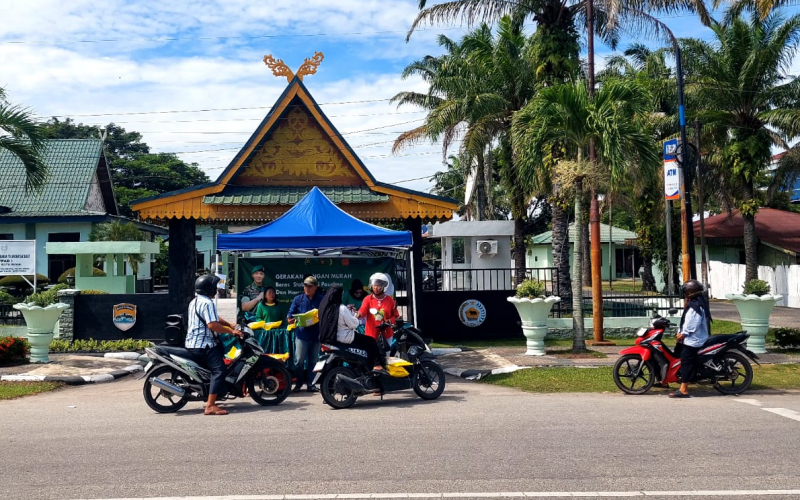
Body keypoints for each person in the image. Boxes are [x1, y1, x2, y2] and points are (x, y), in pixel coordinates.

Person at [187, 274, 242, 416]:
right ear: (209, 288)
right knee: (219, 370)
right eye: (214, 286)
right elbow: (212, 324)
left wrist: (229, 323)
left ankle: (214, 395)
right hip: (203, 345)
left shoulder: (195, 301)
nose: (216, 289)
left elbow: (214, 318)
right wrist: (231, 331)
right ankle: (210, 405)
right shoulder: (207, 303)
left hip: (192, 343)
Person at [319, 285, 385, 372]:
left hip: (329, 339)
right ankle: (377, 366)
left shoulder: (323, 307)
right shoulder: (341, 308)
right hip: (345, 338)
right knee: (371, 341)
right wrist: (355, 317)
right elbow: (354, 324)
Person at [670, 279, 711, 399]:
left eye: (685, 291)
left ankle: (683, 390)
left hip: (694, 340)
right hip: (690, 338)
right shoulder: (695, 304)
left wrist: (683, 333)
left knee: (686, 361)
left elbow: (693, 323)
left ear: (690, 292)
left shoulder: (695, 307)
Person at [287, 275, 324, 392]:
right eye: (305, 286)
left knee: (313, 361)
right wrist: (293, 319)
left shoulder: (321, 299)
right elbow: (289, 318)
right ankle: (298, 384)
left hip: (316, 335)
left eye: (310, 286)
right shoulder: (298, 299)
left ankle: (311, 384)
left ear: (315, 287)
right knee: (299, 361)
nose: (307, 288)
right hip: (302, 335)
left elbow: (326, 316)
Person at [357, 273, 399, 352]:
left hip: (386, 334)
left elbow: (396, 316)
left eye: (379, 285)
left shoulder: (390, 301)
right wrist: (359, 314)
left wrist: (389, 321)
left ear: (384, 286)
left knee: (386, 356)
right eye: (374, 285)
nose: (376, 287)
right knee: (371, 355)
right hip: (371, 333)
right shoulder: (367, 299)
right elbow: (363, 309)